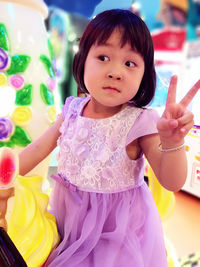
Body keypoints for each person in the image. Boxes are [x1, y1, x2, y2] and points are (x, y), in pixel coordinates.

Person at [19, 9, 200, 267]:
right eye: (103, 57)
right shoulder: (71, 110)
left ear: (143, 75)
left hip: (118, 237)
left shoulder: (139, 120)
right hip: (69, 223)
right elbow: (37, 149)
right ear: (83, 61)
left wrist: (172, 143)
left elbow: (171, 182)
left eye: (130, 63)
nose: (115, 71)